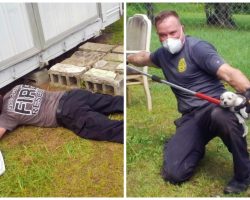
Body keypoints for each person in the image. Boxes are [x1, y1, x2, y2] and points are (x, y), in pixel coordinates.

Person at [127, 10, 250, 194]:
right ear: (158, 35)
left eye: (173, 32)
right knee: (174, 174)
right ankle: (192, 144)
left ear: (182, 29)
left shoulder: (198, 48)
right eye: (163, 35)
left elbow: (229, 74)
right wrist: (127, 58)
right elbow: (144, 57)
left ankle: (244, 175)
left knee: (222, 117)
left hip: (215, 107)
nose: (168, 38)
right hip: (191, 117)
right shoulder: (162, 55)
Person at [0, 84, 123, 144]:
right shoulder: (16, 88)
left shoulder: (8, 116)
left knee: (107, 129)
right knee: (113, 102)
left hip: (68, 112)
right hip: (74, 95)